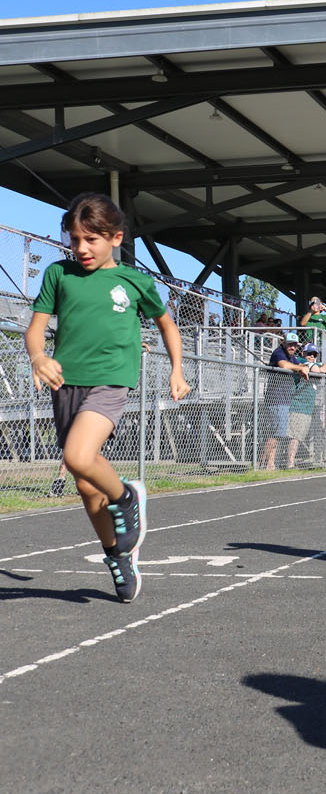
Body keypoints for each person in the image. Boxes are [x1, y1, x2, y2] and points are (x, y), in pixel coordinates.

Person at [25, 193, 191, 603]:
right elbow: (36, 328)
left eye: (91, 239)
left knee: (80, 457)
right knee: (85, 484)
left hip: (111, 381)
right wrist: (38, 356)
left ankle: (127, 497)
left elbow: (168, 326)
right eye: (75, 240)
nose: (81, 248)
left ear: (115, 238)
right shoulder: (58, 274)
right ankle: (117, 554)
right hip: (66, 382)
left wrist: (177, 369)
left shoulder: (135, 281)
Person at [261, 337, 311, 470]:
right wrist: (299, 368)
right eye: (290, 344)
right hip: (276, 399)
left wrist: (302, 368)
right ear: (283, 343)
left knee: (278, 432)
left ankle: (265, 463)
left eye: (295, 345)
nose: (292, 347)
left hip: (285, 399)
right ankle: (267, 464)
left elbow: (296, 365)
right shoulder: (279, 353)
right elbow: (283, 365)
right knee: (276, 433)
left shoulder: (292, 357)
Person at [283, 344, 326, 468]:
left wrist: (321, 367)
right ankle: (290, 464)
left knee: (303, 436)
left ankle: (317, 460)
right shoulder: (300, 361)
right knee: (295, 437)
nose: (311, 356)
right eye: (309, 353)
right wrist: (320, 367)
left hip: (310, 407)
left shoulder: (313, 363)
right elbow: (317, 370)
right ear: (303, 353)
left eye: (314, 355)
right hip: (299, 405)